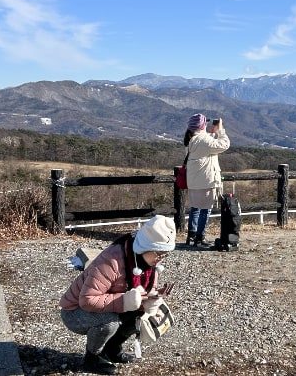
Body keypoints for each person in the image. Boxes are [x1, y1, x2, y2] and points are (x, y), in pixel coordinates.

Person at [59, 215, 176, 375]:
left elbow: (140, 297)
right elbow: (87, 300)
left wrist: (152, 297)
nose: (160, 260)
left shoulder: (149, 263)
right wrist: (125, 301)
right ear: (146, 246)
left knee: (139, 314)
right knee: (110, 322)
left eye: (165, 255)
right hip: (74, 311)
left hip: (105, 304)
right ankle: (92, 357)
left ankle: (112, 349)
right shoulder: (112, 260)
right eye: (159, 254)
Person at [183, 113, 230, 247]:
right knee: (206, 209)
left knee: (195, 208)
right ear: (202, 125)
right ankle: (200, 237)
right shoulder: (203, 140)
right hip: (206, 181)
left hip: (194, 182)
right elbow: (224, 144)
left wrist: (211, 134)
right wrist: (221, 130)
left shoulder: (191, 140)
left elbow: (206, 146)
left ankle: (191, 237)